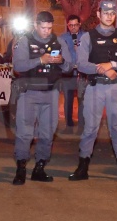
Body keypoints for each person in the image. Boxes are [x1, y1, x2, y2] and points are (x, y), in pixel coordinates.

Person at [69, 0, 117, 181]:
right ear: (99, 15)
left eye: (112, 13)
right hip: (95, 88)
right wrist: (102, 69)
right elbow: (82, 64)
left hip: (116, 88)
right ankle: (82, 167)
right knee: (90, 129)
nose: (109, 16)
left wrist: (112, 65)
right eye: (105, 13)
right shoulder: (88, 37)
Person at [11, 11, 73, 185]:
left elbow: (69, 67)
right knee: (25, 133)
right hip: (29, 93)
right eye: (43, 28)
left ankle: (39, 167)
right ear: (36, 25)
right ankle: (21, 167)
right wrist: (40, 60)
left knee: (47, 133)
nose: (46, 31)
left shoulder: (59, 42)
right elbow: (18, 66)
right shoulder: (25, 42)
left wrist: (60, 61)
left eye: (49, 27)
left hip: (51, 93)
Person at [58, 14, 83, 131]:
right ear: (67, 25)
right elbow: (57, 53)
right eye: (70, 25)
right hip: (68, 74)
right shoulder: (62, 38)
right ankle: (69, 124)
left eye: (75, 25)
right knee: (68, 100)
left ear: (80, 25)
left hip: (83, 74)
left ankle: (82, 124)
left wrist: (80, 49)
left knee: (82, 99)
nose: (73, 27)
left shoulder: (86, 36)